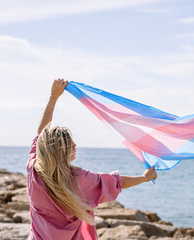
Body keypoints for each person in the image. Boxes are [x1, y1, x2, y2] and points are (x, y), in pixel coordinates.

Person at [27, 79, 158, 240]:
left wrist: (53, 98)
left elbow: (41, 134)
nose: (75, 145)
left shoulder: (34, 171)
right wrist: (144, 178)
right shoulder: (79, 180)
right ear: (62, 152)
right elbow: (116, 182)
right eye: (70, 144)